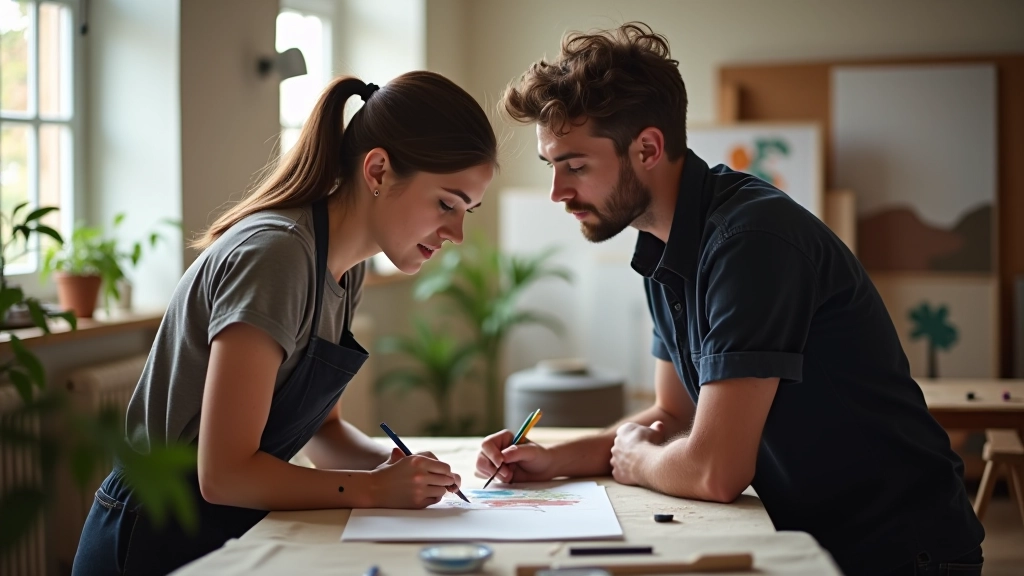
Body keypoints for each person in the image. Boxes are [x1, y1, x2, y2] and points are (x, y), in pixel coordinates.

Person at [475, 23, 983, 576]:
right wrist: (552, 459)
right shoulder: (663, 245)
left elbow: (715, 471)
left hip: (902, 552)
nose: (558, 192)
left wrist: (639, 461)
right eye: (551, 166)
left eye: (575, 166)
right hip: (818, 539)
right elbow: (674, 414)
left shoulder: (751, 243)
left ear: (648, 148)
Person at [73, 71, 497, 575]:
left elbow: (324, 433)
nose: (457, 233)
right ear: (378, 171)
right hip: (152, 536)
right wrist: (372, 489)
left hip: (220, 529)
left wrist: (397, 470)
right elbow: (224, 474)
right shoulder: (277, 255)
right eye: (446, 203)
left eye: (468, 210)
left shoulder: (345, 267)